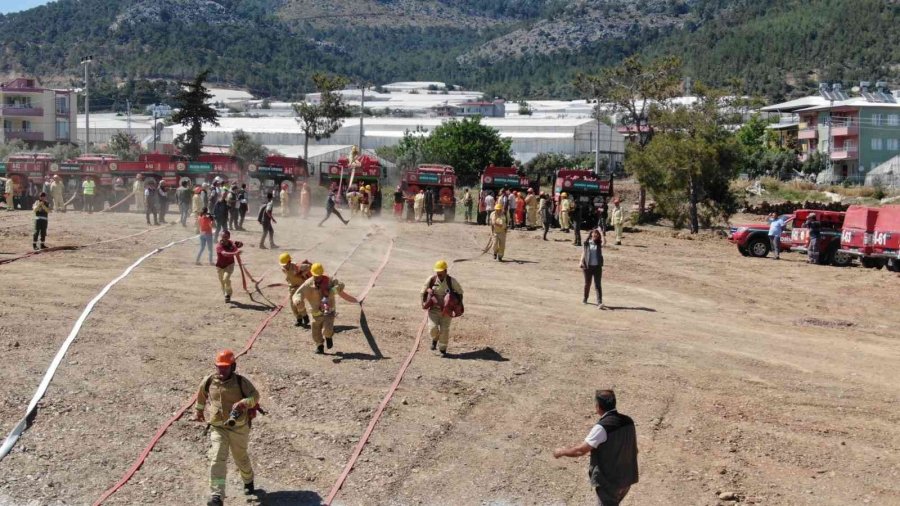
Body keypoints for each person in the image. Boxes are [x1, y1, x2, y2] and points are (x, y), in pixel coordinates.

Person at [193, 349, 260, 506]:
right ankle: (217, 496)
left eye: (225, 367)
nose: (222, 370)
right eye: (219, 367)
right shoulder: (210, 380)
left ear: (233, 367)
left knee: (240, 457)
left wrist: (244, 402)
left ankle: (248, 480)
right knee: (216, 458)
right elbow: (201, 394)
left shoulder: (241, 382)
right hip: (218, 426)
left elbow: (255, 396)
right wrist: (199, 410)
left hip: (239, 427)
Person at [553, 390, 639, 506]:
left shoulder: (602, 427)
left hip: (610, 483)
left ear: (598, 406)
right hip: (627, 479)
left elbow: (580, 450)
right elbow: (634, 449)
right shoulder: (628, 421)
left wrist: (561, 452)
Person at [294, 262, 357, 354]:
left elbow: (341, 285)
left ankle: (328, 337)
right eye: (316, 276)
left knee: (327, 329)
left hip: (329, 311)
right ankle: (319, 346)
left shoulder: (329, 280)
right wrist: (297, 300)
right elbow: (298, 293)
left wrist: (331, 291)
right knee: (315, 332)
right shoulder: (308, 284)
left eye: (319, 275)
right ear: (312, 274)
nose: (318, 277)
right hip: (316, 313)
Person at [421, 260, 464, 356]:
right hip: (434, 310)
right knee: (432, 329)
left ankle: (443, 349)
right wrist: (423, 303)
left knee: (445, 330)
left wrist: (458, 305)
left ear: (445, 270)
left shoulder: (451, 281)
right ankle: (435, 339)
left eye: (440, 271)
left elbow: (460, 293)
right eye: (437, 271)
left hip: (447, 311)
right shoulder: (431, 280)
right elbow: (423, 292)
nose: (438, 273)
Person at [280, 253, 312, 327]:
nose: (284, 265)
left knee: (298, 302)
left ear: (289, 261)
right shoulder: (283, 268)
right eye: (283, 264)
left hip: (300, 287)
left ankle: (305, 317)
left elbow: (310, 266)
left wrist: (302, 273)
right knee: (293, 305)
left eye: (285, 263)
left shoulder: (297, 266)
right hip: (292, 288)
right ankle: (299, 319)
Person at [580, 228, 607, 309]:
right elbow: (584, 252)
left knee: (598, 285)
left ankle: (599, 302)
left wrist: (602, 233)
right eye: (594, 233)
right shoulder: (587, 243)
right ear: (591, 234)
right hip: (587, 267)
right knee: (587, 284)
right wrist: (580, 261)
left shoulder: (599, 243)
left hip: (597, 267)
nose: (595, 235)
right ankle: (585, 298)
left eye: (597, 234)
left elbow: (605, 242)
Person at [215, 231, 243, 303]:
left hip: (229, 265)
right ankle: (225, 294)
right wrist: (235, 253)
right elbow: (225, 254)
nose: (225, 238)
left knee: (226, 279)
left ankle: (228, 295)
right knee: (222, 282)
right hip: (220, 266)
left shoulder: (232, 243)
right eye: (223, 237)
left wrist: (240, 244)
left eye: (226, 237)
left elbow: (239, 245)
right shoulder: (219, 246)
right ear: (221, 237)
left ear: (229, 237)